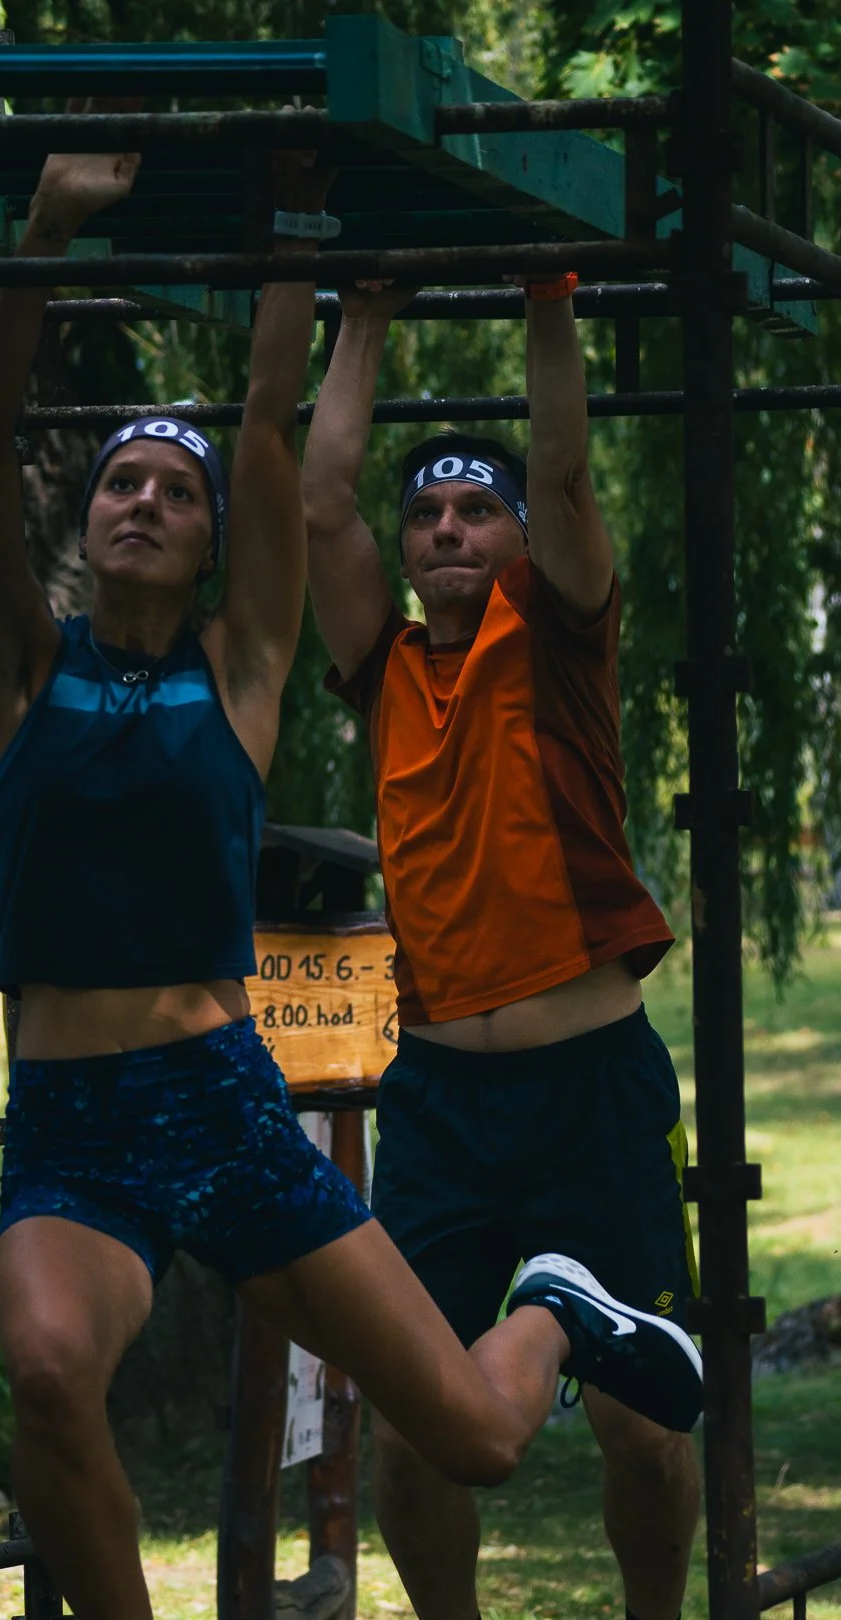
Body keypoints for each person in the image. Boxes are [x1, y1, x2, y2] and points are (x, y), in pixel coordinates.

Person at [0, 124, 700, 1620]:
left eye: (176, 487)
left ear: (218, 535)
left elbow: (286, 440)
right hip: (82, 1125)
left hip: (237, 1102)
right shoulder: (30, 673)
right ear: (82, 532)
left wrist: (307, 243)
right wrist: (33, 240)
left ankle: (558, 1312)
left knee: (485, 1436)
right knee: (45, 1372)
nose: (144, 501)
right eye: (120, 486)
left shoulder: (266, 669)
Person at [302, 274, 703, 1620]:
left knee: (643, 1431)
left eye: (478, 511)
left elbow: (568, 468)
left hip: (592, 1089)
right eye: (429, 516)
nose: (450, 531)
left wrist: (546, 295)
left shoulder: (561, 636)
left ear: (519, 539)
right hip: (444, 1107)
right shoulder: (386, 666)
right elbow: (316, 507)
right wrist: (360, 312)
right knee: (414, 1433)